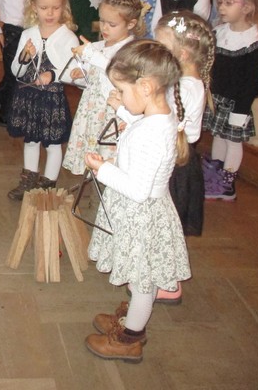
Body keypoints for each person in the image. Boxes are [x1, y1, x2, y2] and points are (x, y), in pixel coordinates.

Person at [84, 40, 191, 363]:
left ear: (145, 87)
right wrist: (122, 109)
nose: (119, 94)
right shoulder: (158, 117)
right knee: (139, 275)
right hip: (142, 212)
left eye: (122, 90)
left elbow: (138, 189)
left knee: (142, 281)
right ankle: (132, 318)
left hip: (139, 214)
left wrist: (102, 170)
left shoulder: (151, 133)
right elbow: (141, 128)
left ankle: (130, 338)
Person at [6, 0, 79, 200]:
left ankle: (48, 183)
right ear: (34, 7)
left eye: (55, 8)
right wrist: (24, 58)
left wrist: (53, 74)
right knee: (31, 140)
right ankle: (28, 180)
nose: (50, 13)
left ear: (63, 8)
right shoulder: (28, 34)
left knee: (53, 144)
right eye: (44, 7)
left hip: (51, 99)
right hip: (29, 96)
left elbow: (74, 73)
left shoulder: (68, 37)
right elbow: (16, 72)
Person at [202, 0, 258, 201]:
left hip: (235, 105)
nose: (221, 7)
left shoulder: (253, 44)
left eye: (229, 3)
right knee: (218, 137)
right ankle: (214, 175)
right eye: (221, 2)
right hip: (217, 99)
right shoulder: (220, 32)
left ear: (247, 8)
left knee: (232, 141)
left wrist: (239, 113)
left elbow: (250, 84)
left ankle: (227, 183)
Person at [63, 0, 142, 176]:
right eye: (102, 21)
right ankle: (94, 182)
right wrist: (81, 74)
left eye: (112, 24)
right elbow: (94, 77)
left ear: (131, 24)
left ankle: (108, 184)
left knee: (108, 157)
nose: (104, 28)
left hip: (112, 112)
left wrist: (92, 55)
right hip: (92, 110)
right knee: (92, 153)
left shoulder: (130, 49)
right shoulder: (99, 46)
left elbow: (117, 74)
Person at [154, 12, 214, 239]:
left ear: (183, 54)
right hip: (172, 153)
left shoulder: (187, 88)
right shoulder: (179, 82)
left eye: (161, 46)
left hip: (176, 161)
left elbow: (164, 123)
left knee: (167, 224)